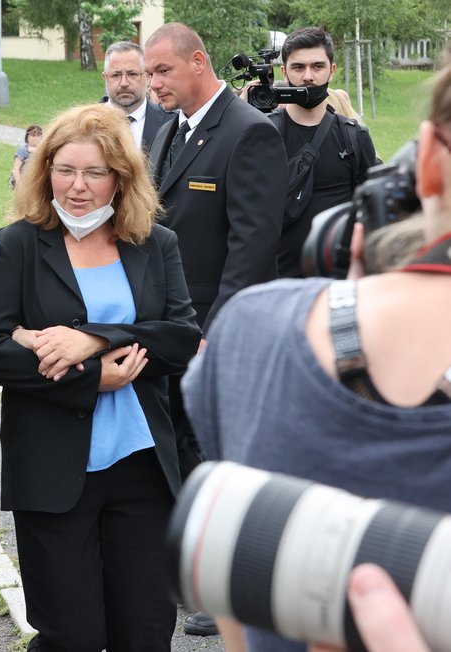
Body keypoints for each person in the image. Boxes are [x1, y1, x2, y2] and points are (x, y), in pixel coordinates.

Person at [181, 53, 451, 652]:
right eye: (296, 67)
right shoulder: (266, 127)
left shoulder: (254, 336)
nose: (306, 79)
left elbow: (237, 598)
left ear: (429, 161)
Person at [0, 103, 201, 652]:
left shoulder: (153, 242)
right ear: (43, 169)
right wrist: (88, 377)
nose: (78, 186)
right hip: (54, 472)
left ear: (121, 178)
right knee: (71, 634)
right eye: (65, 170)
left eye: (95, 173)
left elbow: (181, 336)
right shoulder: (15, 245)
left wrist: (96, 338)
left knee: (144, 632)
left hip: (142, 467)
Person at [143, 22, 288, 637]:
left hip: (212, 332)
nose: (152, 85)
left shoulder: (250, 133)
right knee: (176, 450)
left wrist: (214, 333)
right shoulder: (165, 129)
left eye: (162, 73)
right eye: (149, 75)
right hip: (167, 325)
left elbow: (252, 247)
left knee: (220, 459)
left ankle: (226, 588)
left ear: (198, 62)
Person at [270, 27, 377, 278]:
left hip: (337, 280)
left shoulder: (354, 136)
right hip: (276, 282)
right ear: (284, 72)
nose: (308, 76)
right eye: (298, 67)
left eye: (318, 66)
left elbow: (370, 212)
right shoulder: (263, 133)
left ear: (332, 69)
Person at [101, 41, 170, 152]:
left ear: (148, 77)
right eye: (116, 75)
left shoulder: (171, 124)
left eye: (132, 74)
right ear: (105, 78)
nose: (124, 83)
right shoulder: (86, 124)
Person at [9, 124, 42, 189]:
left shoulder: (42, 150)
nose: (36, 138)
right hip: (24, 182)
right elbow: (16, 169)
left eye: (38, 135)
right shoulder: (23, 150)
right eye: (33, 135)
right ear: (27, 137)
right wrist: (20, 184)